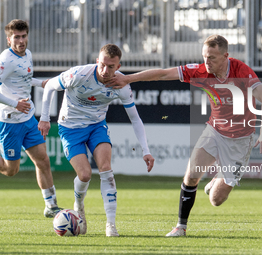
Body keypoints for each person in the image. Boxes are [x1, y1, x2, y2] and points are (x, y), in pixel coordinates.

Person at [109, 34, 262, 237]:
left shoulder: (242, 72)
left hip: (241, 139)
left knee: (216, 200)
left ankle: (217, 179)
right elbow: (162, 74)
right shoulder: (200, 71)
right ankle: (181, 226)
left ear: (225, 56)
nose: (207, 62)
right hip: (215, 131)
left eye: (212, 58)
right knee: (191, 175)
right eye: (205, 56)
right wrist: (128, 78)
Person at [38, 44, 155, 237]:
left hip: (96, 127)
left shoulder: (122, 85)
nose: (105, 70)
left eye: (111, 66)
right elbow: (50, 86)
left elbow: (135, 118)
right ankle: (79, 204)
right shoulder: (78, 74)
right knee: (84, 175)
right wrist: (44, 118)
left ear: (118, 67)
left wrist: (145, 150)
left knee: (106, 169)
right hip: (70, 128)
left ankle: (111, 225)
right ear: (96, 61)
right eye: (102, 65)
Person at [0, 19, 62, 218]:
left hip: (27, 119)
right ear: (9, 39)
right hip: (9, 121)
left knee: (43, 159)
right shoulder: (5, 60)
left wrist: (41, 82)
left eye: (24, 36)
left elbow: (24, 78)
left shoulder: (28, 55)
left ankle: (51, 205)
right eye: (16, 37)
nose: (21, 41)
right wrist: (14, 103)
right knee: (11, 171)